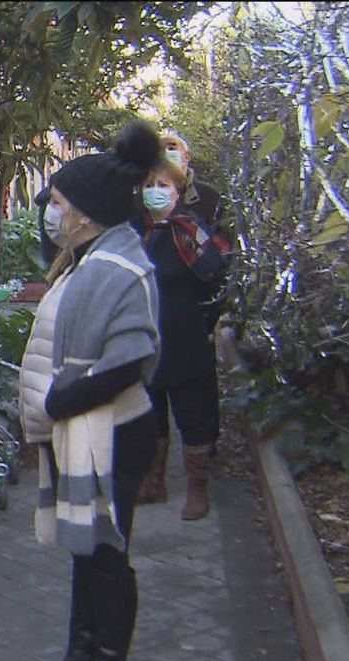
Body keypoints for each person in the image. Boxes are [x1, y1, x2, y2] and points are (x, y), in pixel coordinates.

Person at [18, 122, 162, 661]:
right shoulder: (91, 258)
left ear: (84, 213)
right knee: (86, 549)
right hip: (84, 428)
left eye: (56, 203)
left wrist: (61, 400)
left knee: (107, 555)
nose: (50, 212)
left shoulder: (123, 269)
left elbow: (131, 358)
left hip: (112, 432)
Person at [133, 160, 231, 519]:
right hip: (147, 338)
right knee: (150, 412)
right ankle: (153, 481)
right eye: (148, 184)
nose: (154, 191)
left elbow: (217, 277)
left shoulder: (190, 230)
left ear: (177, 191)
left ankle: (197, 488)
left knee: (192, 414)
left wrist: (205, 320)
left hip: (185, 338)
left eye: (163, 185)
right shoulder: (137, 232)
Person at [159, 131, 223, 233]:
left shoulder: (210, 197)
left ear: (187, 156)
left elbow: (222, 243)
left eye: (171, 148)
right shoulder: (142, 200)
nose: (166, 154)